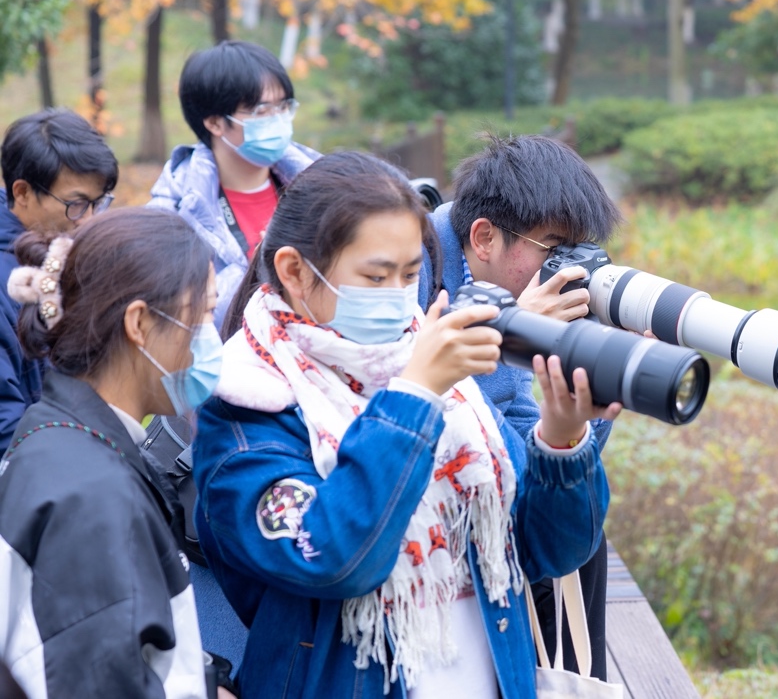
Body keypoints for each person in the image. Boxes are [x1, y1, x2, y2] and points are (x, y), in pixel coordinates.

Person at [193, 152, 614, 698]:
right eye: (375, 276)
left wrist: (561, 438)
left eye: (411, 273)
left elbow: (541, 555)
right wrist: (414, 395)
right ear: (296, 271)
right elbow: (335, 559)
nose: (399, 296)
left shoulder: (447, 379)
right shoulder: (245, 408)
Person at [0, 208, 233, 698]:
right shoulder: (93, 498)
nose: (212, 340)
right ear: (140, 323)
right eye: (205, 314)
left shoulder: (61, 436)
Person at [430, 134, 622, 679]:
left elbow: (528, 462)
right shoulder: (410, 275)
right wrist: (507, 334)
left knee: (584, 540)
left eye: (578, 250)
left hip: (473, 514)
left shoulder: (495, 284)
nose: (569, 269)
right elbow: (413, 413)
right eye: (553, 248)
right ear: (484, 237)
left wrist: (586, 409)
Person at [149, 40, 319, 330]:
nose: (277, 120)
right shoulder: (173, 214)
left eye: (283, 107)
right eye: (261, 111)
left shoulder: (320, 186)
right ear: (215, 123)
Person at [0, 109, 118, 450]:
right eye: (77, 204)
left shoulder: (64, 255)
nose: (90, 220)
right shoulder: (10, 282)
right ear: (22, 192)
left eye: (100, 202)